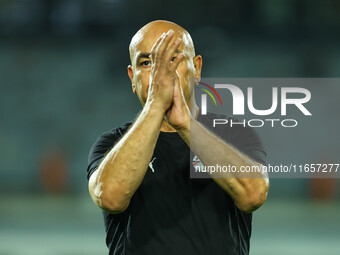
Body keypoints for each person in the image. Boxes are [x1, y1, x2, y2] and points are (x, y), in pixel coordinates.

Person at [87, 20, 269, 255]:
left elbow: (253, 195)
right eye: (146, 63)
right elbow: (110, 197)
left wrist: (186, 125)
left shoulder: (235, 134)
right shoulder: (111, 144)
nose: (160, 73)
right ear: (133, 77)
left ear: (197, 68)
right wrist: (155, 106)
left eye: (173, 59)